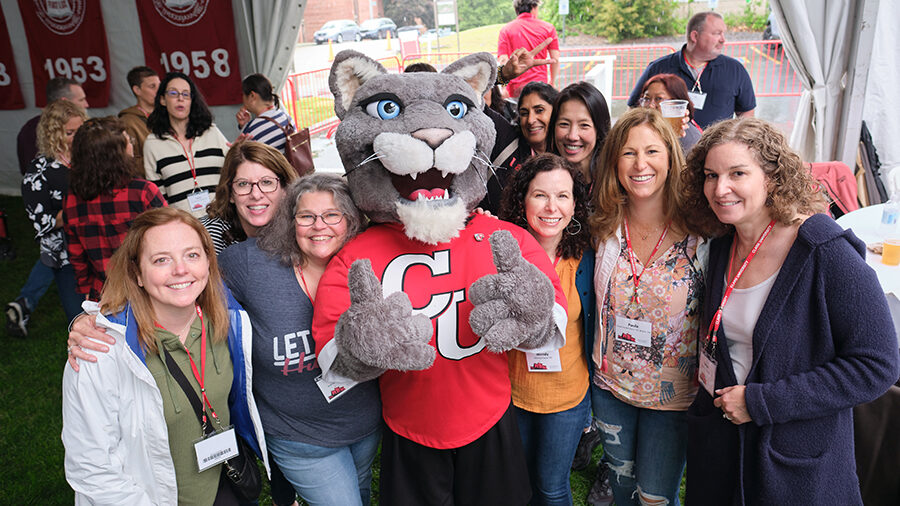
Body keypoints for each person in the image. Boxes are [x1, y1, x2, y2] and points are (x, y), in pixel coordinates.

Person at [680, 117, 899, 505]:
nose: (720, 188)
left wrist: (762, 402)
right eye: (711, 175)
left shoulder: (823, 251)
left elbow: (877, 364)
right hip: (724, 450)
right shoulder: (720, 245)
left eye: (737, 173)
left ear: (773, 179)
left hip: (793, 463)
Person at [61, 207, 267, 505]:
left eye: (192, 255)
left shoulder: (229, 322)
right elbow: (91, 467)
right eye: (161, 260)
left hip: (224, 485)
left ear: (209, 262)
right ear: (138, 274)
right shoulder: (101, 351)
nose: (181, 269)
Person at [219, 174, 382, 506]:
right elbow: (184, 281)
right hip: (298, 436)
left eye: (332, 215)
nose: (318, 226)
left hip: (364, 424)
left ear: (350, 221)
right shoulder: (252, 264)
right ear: (291, 222)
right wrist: (89, 319)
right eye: (306, 216)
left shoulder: (371, 261)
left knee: (360, 492)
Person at [589, 107, 707, 505]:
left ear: (671, 158)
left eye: (652, 152)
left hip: (672, 398)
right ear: (614, 163)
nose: (641, 164)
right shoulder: (601, 226)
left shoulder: (701, 232)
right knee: (622, 494)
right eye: (628, 153)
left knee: (656, 498)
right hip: (611, 388)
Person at [499, 153, 594, 506]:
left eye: (562, 196)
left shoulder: (587, 257)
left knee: (552, 488)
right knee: (519, 484)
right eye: (540, 195)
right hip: (513, 393)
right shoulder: (503, 252)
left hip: (566, 397)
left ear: (575, 204)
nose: (551, 206)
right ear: (522, 200)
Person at [7, 100, 88, 337]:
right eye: (69, 132)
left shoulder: (91, 158)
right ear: (52, 133)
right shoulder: (39, 171)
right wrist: (81, 206)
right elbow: (42, 222)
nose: (76, 137)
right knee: (81, 321)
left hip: (102, 248)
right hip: (66, 257)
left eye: (80, 131)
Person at [63, 117, 167, 302]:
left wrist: (85, 288)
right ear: (115, 155)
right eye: (128, 141)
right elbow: (169, 242)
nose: (132, 146)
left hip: (105, 293)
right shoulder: (143, 192)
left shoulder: (72, 199)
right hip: (147, 292)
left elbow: (77, 255)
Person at [627, 11, 755, 129]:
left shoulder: (735, 70)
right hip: (669, 149)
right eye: (717, 33)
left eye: (723, 33)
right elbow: (633, 110)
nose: (723, 39)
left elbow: (746, 114)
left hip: (715, 151)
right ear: (695, 36)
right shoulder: (658, 68)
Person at [144, 72, 229, 217]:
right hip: (184, 226)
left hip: (223, 219)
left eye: (186, 94)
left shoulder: (212, 132)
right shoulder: (152, 143)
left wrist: (239, 150)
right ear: (163, 100)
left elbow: (231, 173)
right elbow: (158, 199)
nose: (180, 99)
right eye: (173, 93)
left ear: (192, 101)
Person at [201, 140, 299, 254]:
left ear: (285, 189)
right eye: (243, 184)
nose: (256, 195)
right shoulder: (206, 238)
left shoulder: (301, 228)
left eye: (266, 182)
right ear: (230, 193)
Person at [17, 77, 89, 176]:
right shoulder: (31, 131)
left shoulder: (28, 127)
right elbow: (29, 171)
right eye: (81, 100)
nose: (86, 104)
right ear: (64, 102)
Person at [547, 82, 611, 188]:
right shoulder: (541, 180)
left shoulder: (614, 182)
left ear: (599, 131)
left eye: (584, 125)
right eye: (564, 124)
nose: (572, 136)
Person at [498, 0, 560, 98]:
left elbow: (503, 60)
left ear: (516, 9)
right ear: (533, 7)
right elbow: (555, 59)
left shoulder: (506, 30)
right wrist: (552, 82)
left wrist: (503, 87)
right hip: (540, 86)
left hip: (515, 89)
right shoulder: (548, 28)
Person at [637, 73, 702, 154]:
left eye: (658, 98)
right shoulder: (639, 129)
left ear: (676, 104)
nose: (650, 105)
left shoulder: (689, 137)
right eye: (646, 98)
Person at [235, 74, 297, 152]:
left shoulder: (252, 131)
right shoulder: (286, 117)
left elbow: (241, 156)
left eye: (243, 94)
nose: (242, 99)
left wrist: (246, 127)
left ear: (252, 96)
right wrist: (245, 125)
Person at [119, 66, 160, 173]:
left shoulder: (168, 115)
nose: (159, 90)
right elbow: (131, 161)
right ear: (137, 90)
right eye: (152, 86)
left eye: (160, 85)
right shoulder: (128, 122)